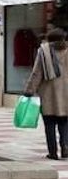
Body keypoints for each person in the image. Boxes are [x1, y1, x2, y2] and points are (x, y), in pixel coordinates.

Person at [24, 28, 68, 160]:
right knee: (65, 123)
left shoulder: (43, 52)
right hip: (66, 94)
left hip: (48, 94)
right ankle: (65, 146)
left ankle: (53, 152)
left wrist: (29, 90)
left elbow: (37, 73)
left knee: (49, 124)